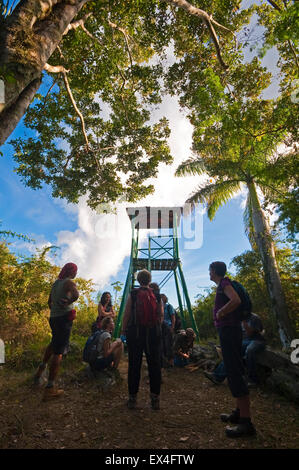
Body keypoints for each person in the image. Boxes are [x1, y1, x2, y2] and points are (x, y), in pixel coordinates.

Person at [209, 261, 256, 438]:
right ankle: (239, 412)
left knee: (235, 371)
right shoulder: (223, 284)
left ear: (214, 271)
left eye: (210, 270)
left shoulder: (225, 284)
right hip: (229, 330)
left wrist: (221, 312)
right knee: (233, 369)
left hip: (230, 330)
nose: (209, 273)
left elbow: (235, 300)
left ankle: (246, 423)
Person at [34, 263, 79, 401]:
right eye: (75, 271)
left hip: (53, 317)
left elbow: (49, 302)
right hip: (64, 319)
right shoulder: (69, 282)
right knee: (59, 352)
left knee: (54, 343)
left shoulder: (56, 283)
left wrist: (57, 307)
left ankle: (40, 371)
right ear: (72, 271)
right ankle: (50, 388)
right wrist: (67, 302)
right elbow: (76, 295)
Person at [121, 269, 164, 410]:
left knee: (134, 364)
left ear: (139, 280)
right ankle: (155, 400)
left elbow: (127, 313)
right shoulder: (157, 295)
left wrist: (123, 329)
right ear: (150, 280)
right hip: (153, 333)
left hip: (136, 333)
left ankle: (133, 399)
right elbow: (161, 315)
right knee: (154, 365)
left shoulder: (133, 293)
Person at [205, 313, 266, 387]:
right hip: (245, 341)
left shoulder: (254, 318)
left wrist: (243, 321)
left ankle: (253, 380)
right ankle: (217, 376)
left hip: (256, 340)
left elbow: (251, 333)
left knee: (250, 350)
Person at [161, 294, 176, 368]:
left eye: (162, 297)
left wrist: (172, 327)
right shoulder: (160, 306)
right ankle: (164, 362)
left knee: (169, 344)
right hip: (161, 327)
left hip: (168, 326)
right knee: (162, 344)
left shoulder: (169, 306)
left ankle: (171, 362)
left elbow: (173, 317)